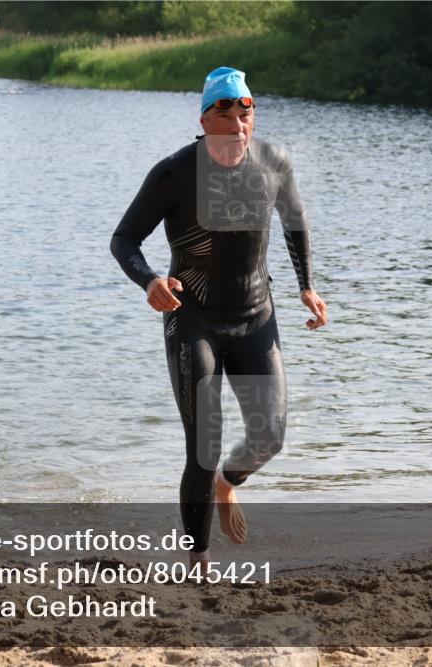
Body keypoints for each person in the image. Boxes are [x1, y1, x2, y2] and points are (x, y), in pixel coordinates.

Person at [110, 66, 328, 574]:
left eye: (244, 111)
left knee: (269, 436)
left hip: (256, 317)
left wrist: (307, 285)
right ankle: (199, 560)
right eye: (224, 112)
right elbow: (124, 239)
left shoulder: (274, 162)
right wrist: (149, 282)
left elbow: (294, 221)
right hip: (194, 321)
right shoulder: (174, 173)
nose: (235, 122)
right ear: (204, 118)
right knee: (203, 446)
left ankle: (230, 484)